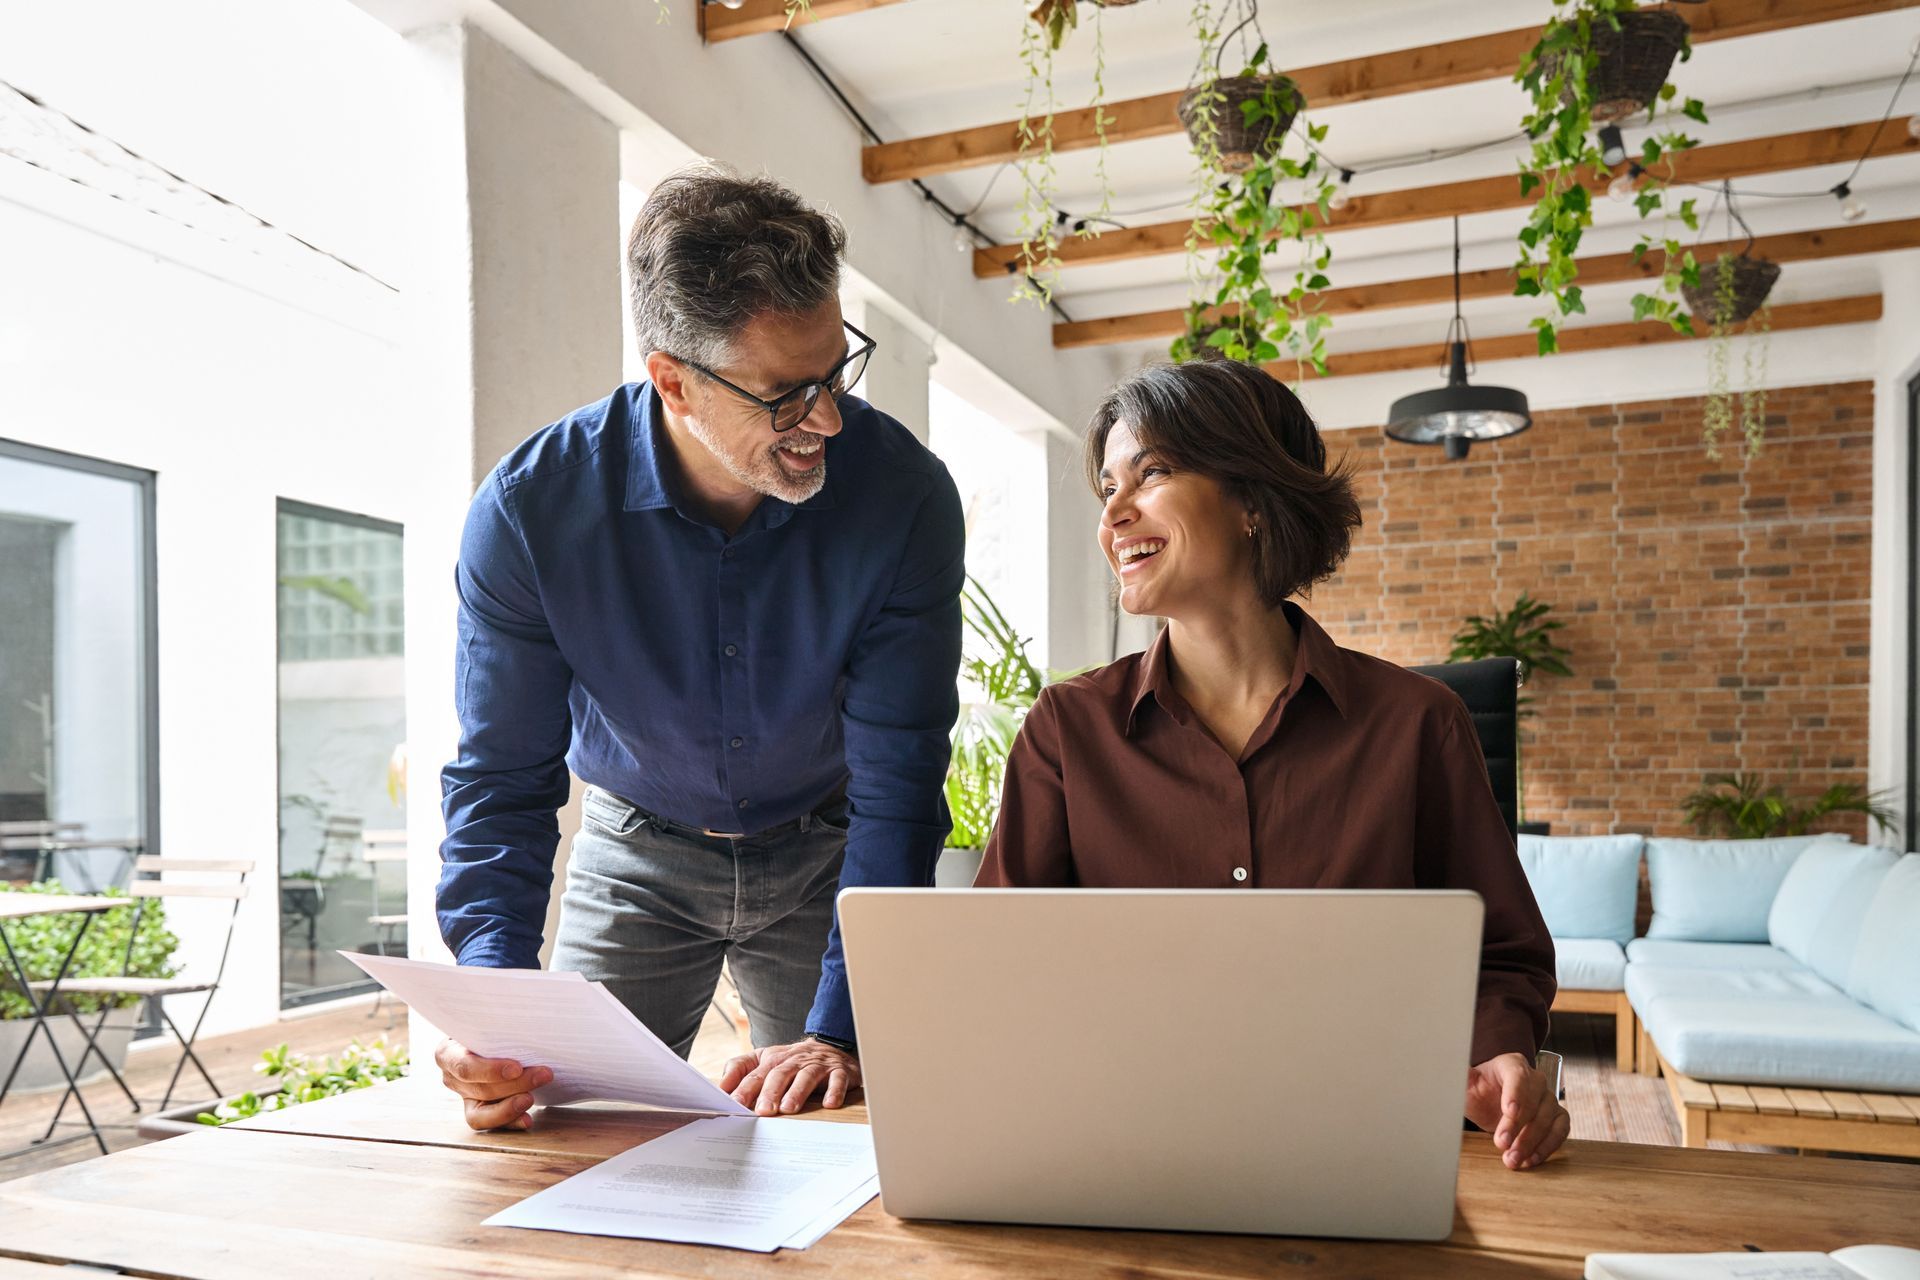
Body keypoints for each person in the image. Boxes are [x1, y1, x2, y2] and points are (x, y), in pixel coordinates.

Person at [433, 164, 963, 1130]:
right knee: (554, 1127)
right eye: (786, 394)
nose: (830, 419)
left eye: (837, 369)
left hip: (830, 852)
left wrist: (842, 1031)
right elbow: (501, 778)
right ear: (672, 379)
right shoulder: (529, 516)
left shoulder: (904, 500)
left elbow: (902, 779)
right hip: (636, 850)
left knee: (860, 1136)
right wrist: (494, 1005)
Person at [976, 358, 1568, 1172]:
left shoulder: (1417, 727)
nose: (1113, 511)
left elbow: (1500, 956)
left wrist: (1501, 1053)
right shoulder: (1066, 734)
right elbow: (1002, 969)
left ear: (1253, 499)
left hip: (1371, 1147)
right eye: (1107, 486)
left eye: (1151, 472)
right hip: (1128, 1146)